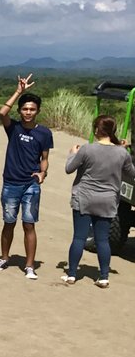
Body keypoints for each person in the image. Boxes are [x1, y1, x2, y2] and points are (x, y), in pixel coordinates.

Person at [0, 74, 54, 279]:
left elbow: (44, 158)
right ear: (19, 111)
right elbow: (2, 112)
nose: (28, 112)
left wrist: (43, 172)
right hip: (10, 182)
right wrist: (19, 91)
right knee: (8, 222)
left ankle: (29, 266)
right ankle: (4, 258)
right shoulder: (14, 128)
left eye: (32, 109)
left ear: (38, 111)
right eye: (25, 109)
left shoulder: (44, 133)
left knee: (29, 224)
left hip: (31, 184)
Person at [62, 115, 135, 287]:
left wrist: (72, 154)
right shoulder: (121, 153)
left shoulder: (87, 149)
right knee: (103, 240)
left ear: (96, 130)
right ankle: (103, 276)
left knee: (79, 238)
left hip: (84, 198)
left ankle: (72, 274)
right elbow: (131, 173)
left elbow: (69, 168)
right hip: (108, 200)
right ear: (114, 130)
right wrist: (123, 150)